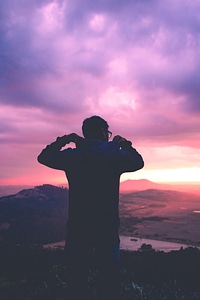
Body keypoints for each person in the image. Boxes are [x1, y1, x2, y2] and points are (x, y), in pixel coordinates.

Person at [37, 116, 144, 300]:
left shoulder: (73, 156)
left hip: (79, 228)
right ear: (103, 132)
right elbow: (138, 162)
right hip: (107, 228)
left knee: (77, 284)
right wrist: (125, 144)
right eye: (108, 133)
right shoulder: (114, 156)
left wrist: (64, 139)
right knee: (109, 284)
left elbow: (43, 157)